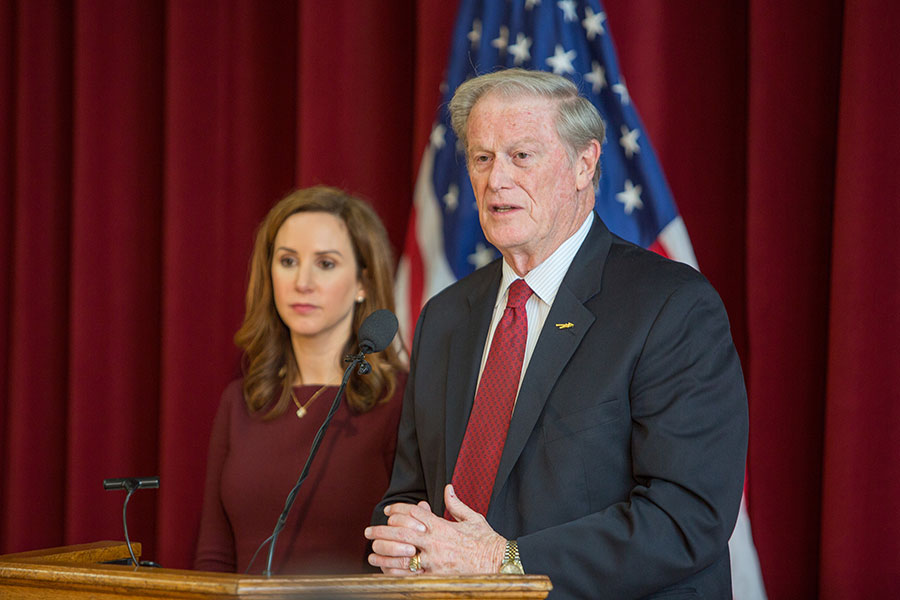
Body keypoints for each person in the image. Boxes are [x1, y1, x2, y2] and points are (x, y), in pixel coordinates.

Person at [365, 68, 748, 599]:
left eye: (521, 155)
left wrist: (506, 560)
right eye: (482, 157)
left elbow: (687, 517)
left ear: (583, 164)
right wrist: (403, 539)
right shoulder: (445, 316)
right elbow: (412, 490)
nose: (496, 179)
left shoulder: (672, 306)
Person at [195, 186, 406, 575]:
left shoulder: (399, 401)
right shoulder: (240, 401)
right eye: (288, 261)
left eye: (325, 264)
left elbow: (404, 562)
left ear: (362, 282)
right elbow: (214, 557)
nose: (302, 282)